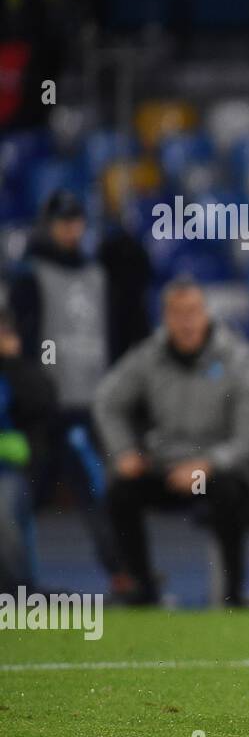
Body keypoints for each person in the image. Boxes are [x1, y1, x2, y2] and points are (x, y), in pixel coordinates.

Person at [93, 279, 249, 605]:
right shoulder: (149, 356)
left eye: (192, 312)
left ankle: (230, 595)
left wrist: (208, 464)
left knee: (229, 493)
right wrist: (124, 450)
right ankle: (142, 586)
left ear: (206, 314)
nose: (186, 321)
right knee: (120, 489)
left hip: (217, 469)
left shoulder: (238, 360)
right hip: (166, 465)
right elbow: (107, 400)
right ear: (165, 318)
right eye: (177, 313)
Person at [5, 190, 118, 587]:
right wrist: (42, 379)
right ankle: (16, 580)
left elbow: (107, 333)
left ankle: (122, 574)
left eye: (76, 221)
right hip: (43, 407)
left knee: (95, 491)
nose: (71, 230)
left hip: (88, 404)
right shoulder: (31, 275)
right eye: (63, 222)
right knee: (24, 496)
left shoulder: (96, 274)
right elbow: (31, 340)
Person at [0, 307, 55, 592]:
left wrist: (10, 362)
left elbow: (43, 399)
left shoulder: (20, 373)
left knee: (4, 507)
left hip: (10, 469)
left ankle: (15, 590)